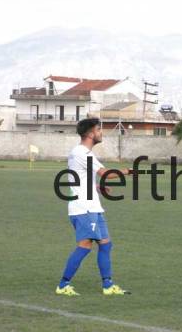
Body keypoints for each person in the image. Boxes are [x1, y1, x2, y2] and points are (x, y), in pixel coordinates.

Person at [56, 118, 131, 296]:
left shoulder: (80, 153)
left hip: (93, 206)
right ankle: (63, 285)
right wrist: (128, 171)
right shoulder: (82, 153)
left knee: (106, 244)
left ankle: (108, 286)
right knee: (85, 246)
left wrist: (96, 187)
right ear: (90, 134)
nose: (101, 132)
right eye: (98, 129)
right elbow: (105, 173)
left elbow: (79, 178)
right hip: (84, 209)